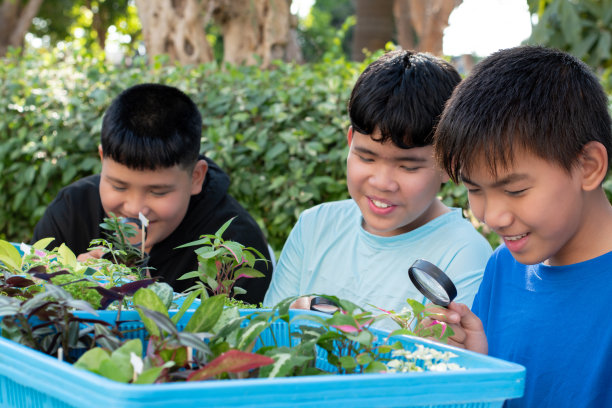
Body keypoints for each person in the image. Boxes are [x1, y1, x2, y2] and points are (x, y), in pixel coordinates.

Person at [432, 45, 612, 407]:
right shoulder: (503, 266)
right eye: (474, 189)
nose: (493, 216)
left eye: (515, 190)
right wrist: (477, 369)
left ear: (589, 166)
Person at [263, 50, 492, 316]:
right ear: (350, 142)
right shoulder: (314, 226)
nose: (383, 183)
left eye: (408, 166)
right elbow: (266, 334)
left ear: (448, 163)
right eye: (366, 157)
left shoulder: (464, 253)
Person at [31, 83, 272, 304]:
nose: (135, 209)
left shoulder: (235, 246)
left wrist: (149, 298)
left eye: (158, 192)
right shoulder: (71, 211)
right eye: (118, 186)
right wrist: (68, 283)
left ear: (196, 177)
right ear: (103, 159)